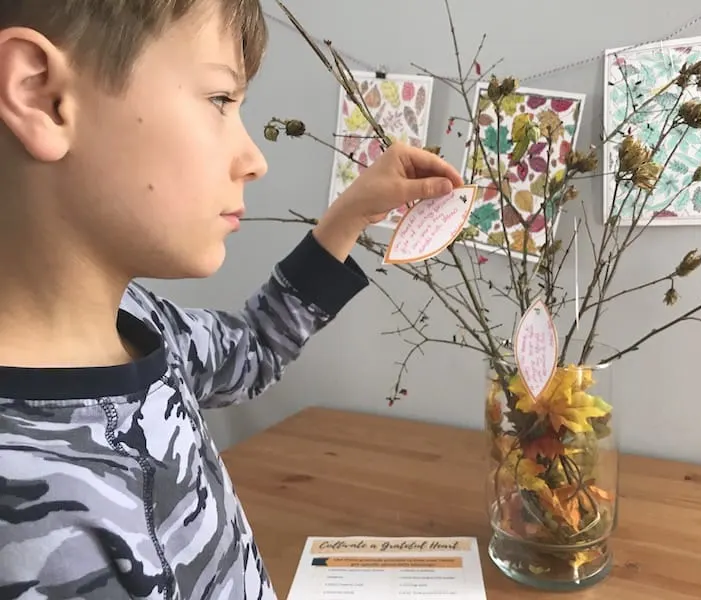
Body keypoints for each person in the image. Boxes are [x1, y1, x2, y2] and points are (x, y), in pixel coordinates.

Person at [0, 1, 463, 598]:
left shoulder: (138, 322)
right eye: (220, 100)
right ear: (40, 95)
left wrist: (349, 215)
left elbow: (252, 351)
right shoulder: (26, 512)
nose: (254, 160)